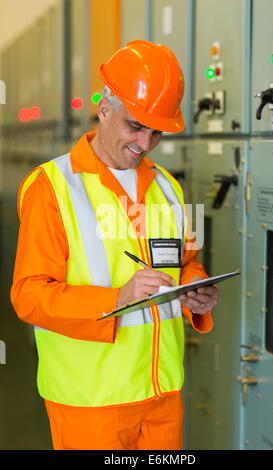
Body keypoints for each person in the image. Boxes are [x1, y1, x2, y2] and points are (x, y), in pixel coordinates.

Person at [10, 40, 220, 450]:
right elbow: (29, 296)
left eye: (156, 132)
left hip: (161, 397)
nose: (145, 143)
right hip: (92, 403)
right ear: (104, 110)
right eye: (135, 126)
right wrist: (117, 299)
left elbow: (187, 262)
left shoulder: (168, 187)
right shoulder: (53, 188)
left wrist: (196, 288)